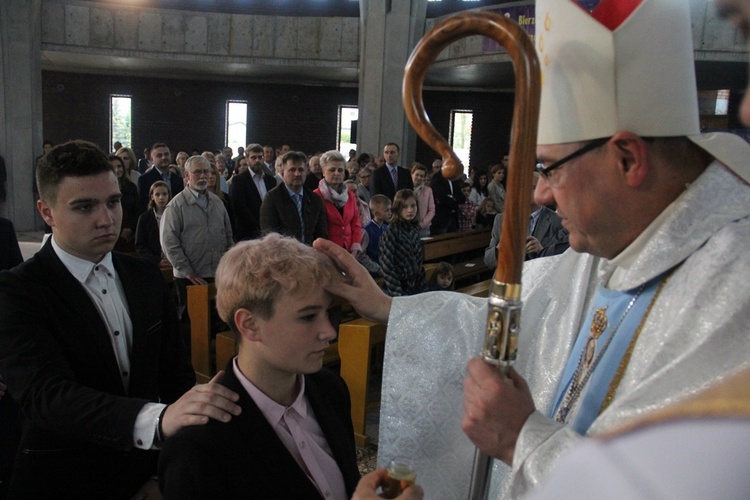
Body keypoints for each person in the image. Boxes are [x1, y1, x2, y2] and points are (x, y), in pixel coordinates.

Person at [313, 0, 750, 497]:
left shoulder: (734, 285)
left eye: (549, 168)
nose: (539, 193)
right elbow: (518, 322)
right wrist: (391, 308)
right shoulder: (608, 250)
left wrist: (527, 442)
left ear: (629, 157)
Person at [0, 140, 241, 499]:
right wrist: (156, 420)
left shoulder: (143, 276)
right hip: (62, 476)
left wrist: (165, 472)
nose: (106, 219)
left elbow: (175, 377)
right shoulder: (18, 290)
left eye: (113, 202)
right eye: (84, 207)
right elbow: (46, 395)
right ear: (46, 212)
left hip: (145, 471)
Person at [158, 234, 361, 498]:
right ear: (249, 325)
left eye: (328, 312)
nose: (329, 332)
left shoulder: (331, 388)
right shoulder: (198, 445)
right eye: (308, 316)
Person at [161, 155, 234, 329]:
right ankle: (189, 356)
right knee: (191, 324)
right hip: (190, 276)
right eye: (197, 172)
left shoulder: (217, 202)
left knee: (217, 322)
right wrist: (189, 272)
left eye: (206, 172)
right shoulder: (176, 206)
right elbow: (169, 243)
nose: (203, 176)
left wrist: (227, 265)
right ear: (187, 175)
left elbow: (228, 236)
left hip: (215, 272)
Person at [483, 172, 568, 268]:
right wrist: (499, 248)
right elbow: (488, 261)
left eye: (532, 188)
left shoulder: (558, 221)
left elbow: (563, 263)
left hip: (538, 278)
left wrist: (541, 251)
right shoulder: (501, 219)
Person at [260, 150, 328, 244]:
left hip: (310, 254)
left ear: (306, 173)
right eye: (292, 170)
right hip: (284, 255)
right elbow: (269, 235)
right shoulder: (272, 199)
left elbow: (321, 233)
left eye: (301, 170)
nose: (297, 174)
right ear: (283, 174)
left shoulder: (315, 199)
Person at [379, 189, 428, 297]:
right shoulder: (391, 231)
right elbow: (387, 267)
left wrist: (424, 291)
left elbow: (418, 264)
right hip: (396, 290)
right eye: (405, 207)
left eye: (413, 205)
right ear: (397, 208)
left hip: (414, 287)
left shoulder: (414, 230)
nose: (410, 210)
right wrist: (399, 295)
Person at [314, 150, 363, 255]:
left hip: (349, 251)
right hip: (326, 252)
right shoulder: (316, 196)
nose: (337, 173)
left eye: (340, 170)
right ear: (323, 172)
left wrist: (355, 247)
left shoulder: (350, 195)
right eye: (332, 170)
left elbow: (356, 224)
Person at [230, 143, 276, 241]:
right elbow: (239, 207)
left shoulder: (271, 180)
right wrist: (258, 225)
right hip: (248, 233)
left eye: (260, 157)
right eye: (253, 158)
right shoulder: (239, 180)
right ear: (247, 160)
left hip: (269, 232)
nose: (257, 160)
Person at [110, 155, 142, 253]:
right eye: (113, 167)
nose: (117, 169)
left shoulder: (130, 187)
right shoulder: (103, 190)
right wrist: (120, 231)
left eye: (119, 166)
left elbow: (138, 209)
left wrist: (131, 229)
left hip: (130, 233)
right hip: (112, 232)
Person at [137, 142, 184, 208]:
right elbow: (143, 205)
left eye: (166, 154)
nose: (164, 157)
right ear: (152, 159)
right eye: (159, 155)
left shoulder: (178, 179)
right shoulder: (144, 180)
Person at [135, 180, 171, 266]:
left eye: (164, 194)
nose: (161, 197)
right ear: (152, 197)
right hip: (153, 263)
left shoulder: (175, 215)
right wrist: (157, 261)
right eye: (157, 194)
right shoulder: (145, 218)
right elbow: (140, 246)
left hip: (173, 260)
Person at [429, 163, 465, 235]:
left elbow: (462, 197)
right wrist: (455, 204)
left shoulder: (453, 179)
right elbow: (441, 197)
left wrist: (452, 198)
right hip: (441, 217)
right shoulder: (437, 178)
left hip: (453, 217)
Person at [410, 163, 435, 238]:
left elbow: (432, 210)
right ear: (412, 174)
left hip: (423, 227)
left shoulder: (428, 190)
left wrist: (421, 225)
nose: (419, 177)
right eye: (417, 175)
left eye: (422, 176)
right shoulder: (406, 188)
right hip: (408, 226)